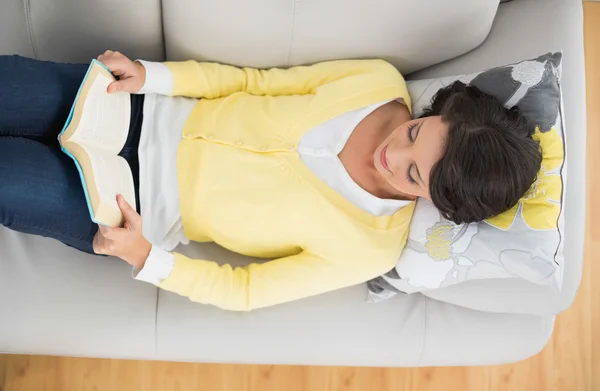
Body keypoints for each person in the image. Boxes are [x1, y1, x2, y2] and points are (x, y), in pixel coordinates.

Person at [0, 52, 542, 311]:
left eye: (413, 173)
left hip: (127, 205)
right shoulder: (378, 82)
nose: (391, 152)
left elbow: (248, 291)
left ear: (436, 200)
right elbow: (252, 81)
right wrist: (156, 75)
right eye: (415, 132)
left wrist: (148, 257)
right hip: (133, 105)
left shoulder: (369, 249)